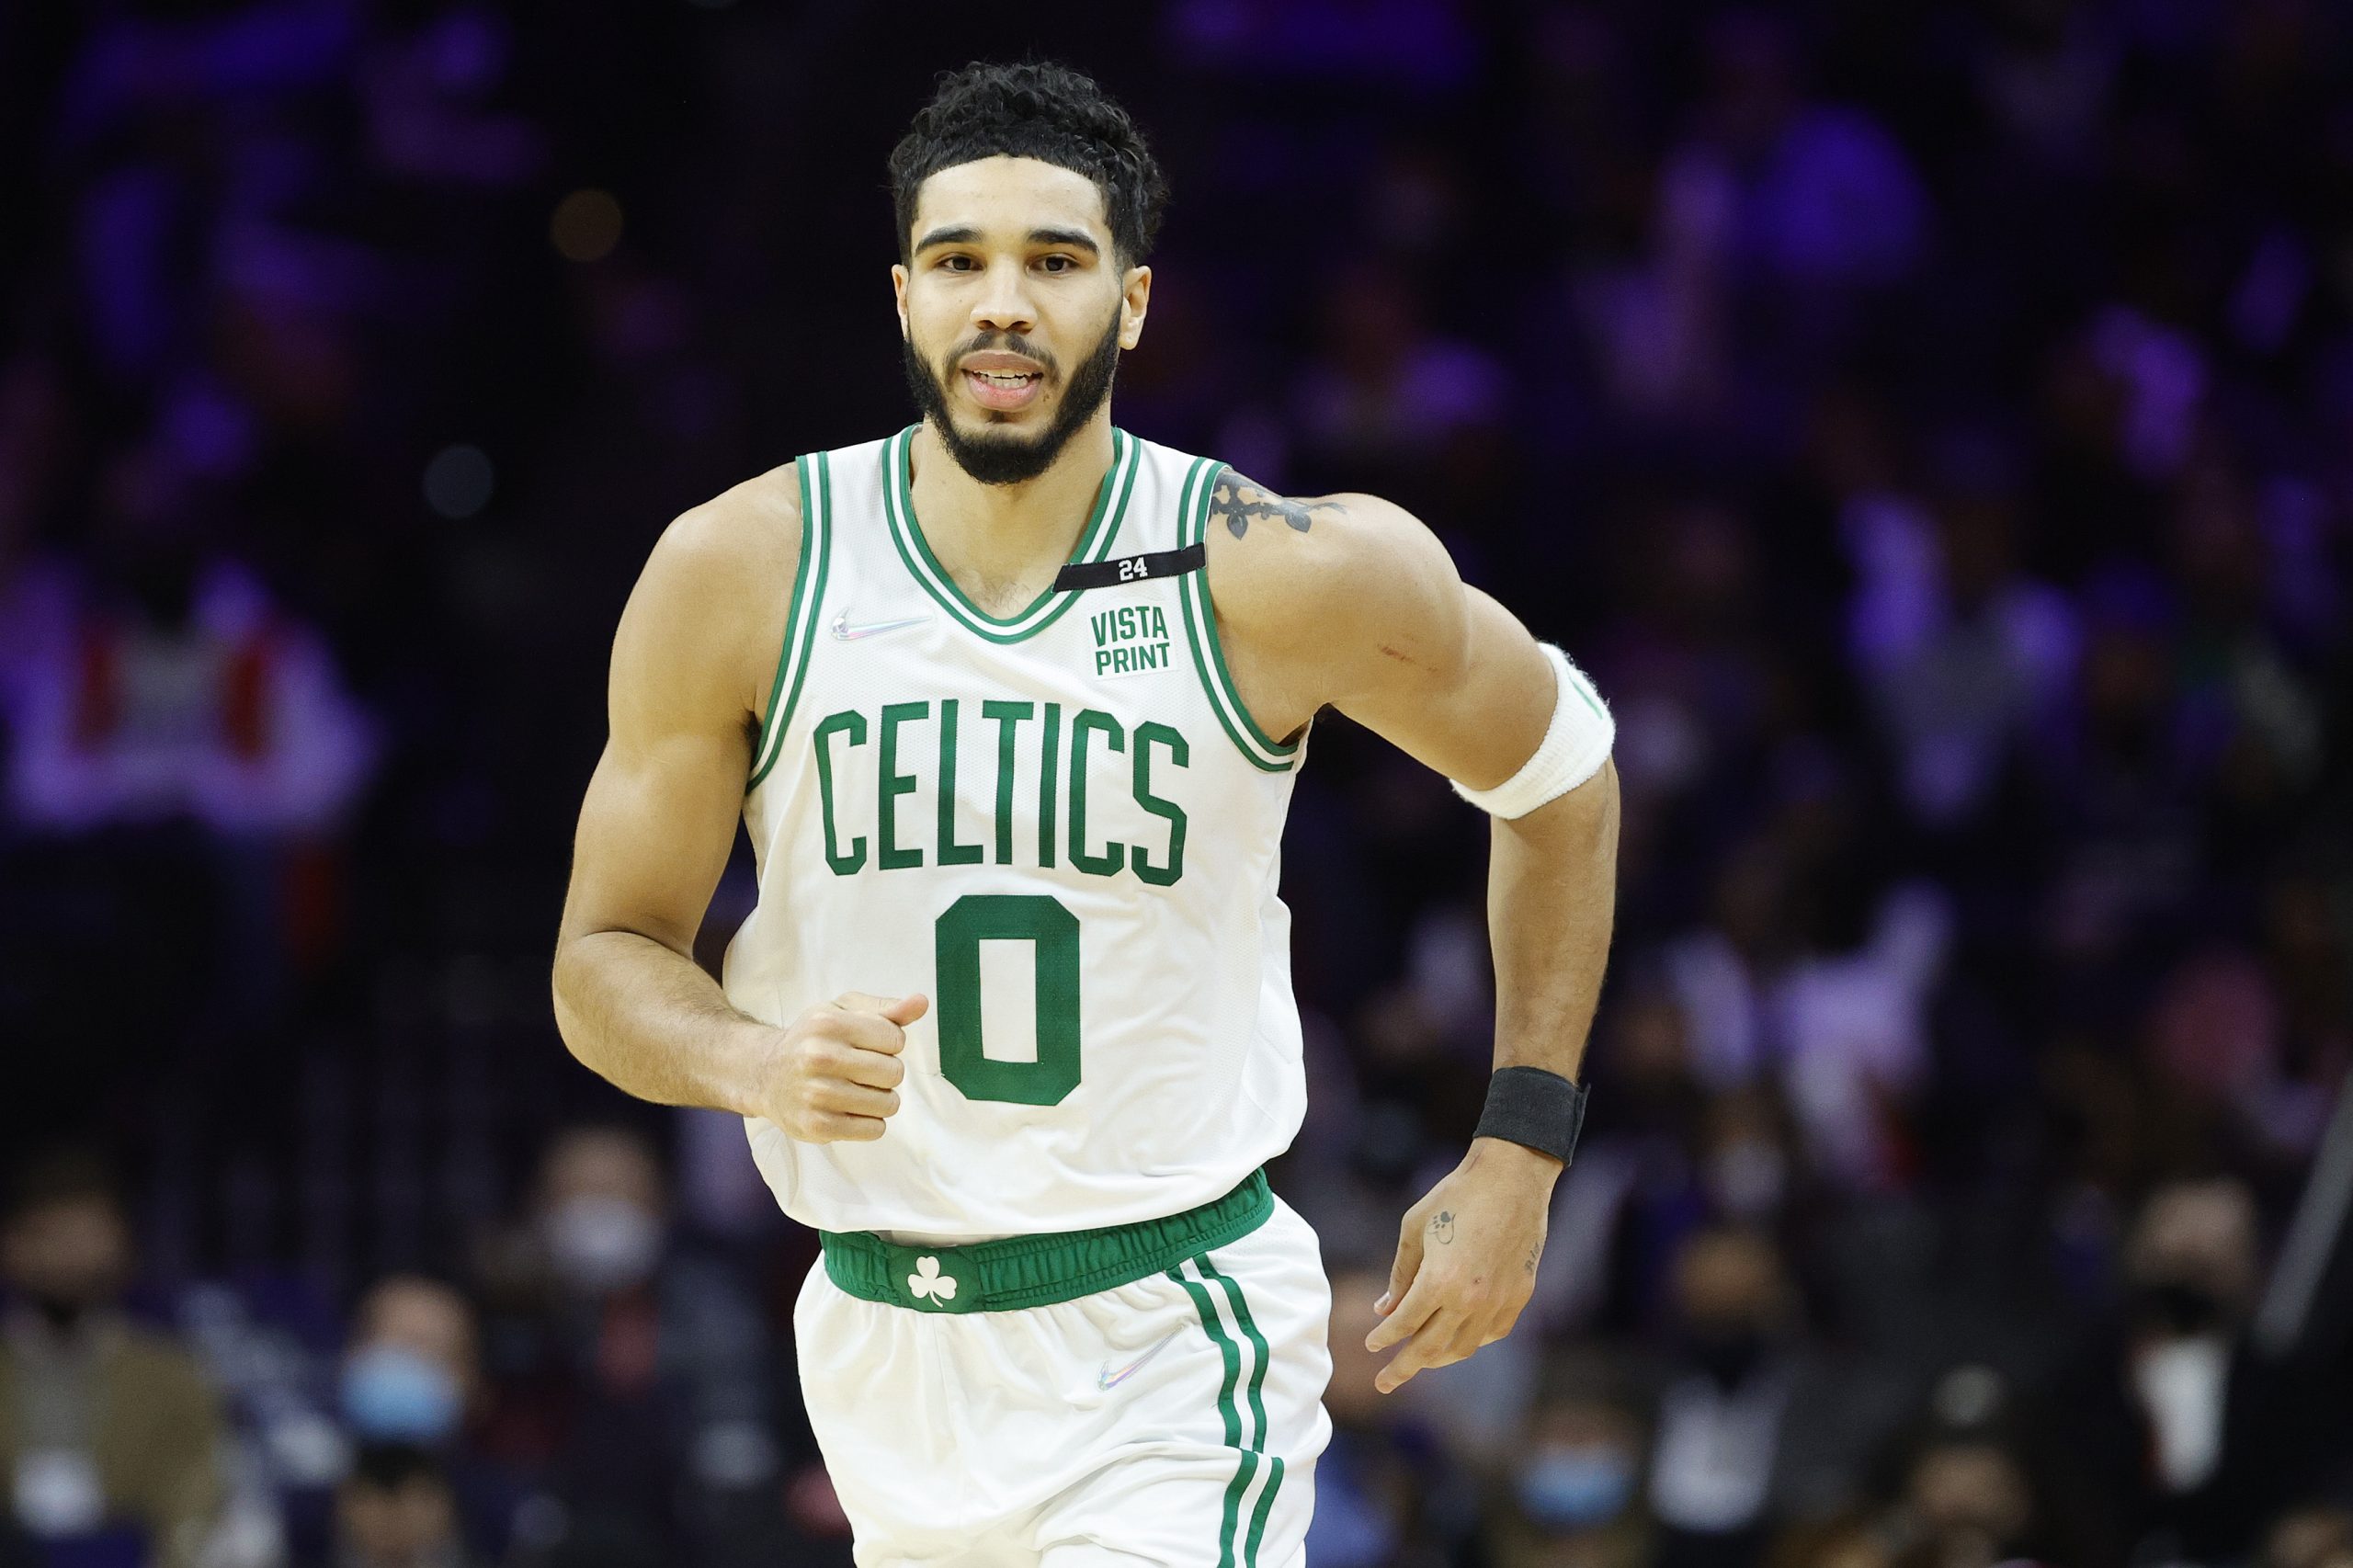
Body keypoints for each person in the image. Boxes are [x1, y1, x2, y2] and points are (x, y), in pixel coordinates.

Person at [551, 60, 1620, 1566]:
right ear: (905, 297)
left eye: (1053, 262)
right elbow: (603, 956)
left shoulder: (1276, 567)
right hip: (880, 1335)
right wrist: (754, 1061)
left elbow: (1561, 769)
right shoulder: (745, 570)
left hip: (1170, 1329)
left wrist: (1519, 1148)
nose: (1003, 302)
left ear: (1129, 301)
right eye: (959, 262)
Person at [0, 1150, 224, 1567]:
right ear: (13, 1246)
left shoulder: (171, 1377)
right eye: (52, 1236)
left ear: (122, 1246)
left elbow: (197, 1503)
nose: (70, 1257)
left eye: (87, 1235)